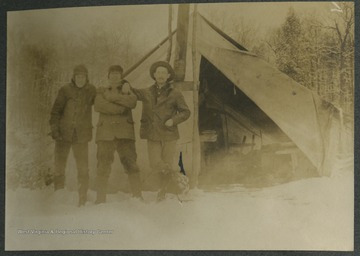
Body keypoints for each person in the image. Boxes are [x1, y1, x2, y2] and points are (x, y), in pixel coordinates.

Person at [131, 61, 190, 201]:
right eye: (158, 72)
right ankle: (177, 175)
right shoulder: (147, 92)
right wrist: (124, 82)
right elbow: (133, 91)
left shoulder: (175, 93)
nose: (161, 75)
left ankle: (162, 193)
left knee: (167, 162)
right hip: (152, 133)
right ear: (154, 75)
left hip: (169, 134)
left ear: (168, 75)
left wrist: (173, 120)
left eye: (164, 73)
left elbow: (186, 112)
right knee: (155, 163)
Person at [94, 65, 142, 204]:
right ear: (108, 76)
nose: (115, 76)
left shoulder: (128, 90)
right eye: (112, 73)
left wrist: (110, 98)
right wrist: (121, 106)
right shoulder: (101, 90)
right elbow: (99, 106)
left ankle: (137, 197)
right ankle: (100, 199)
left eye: (117, 74)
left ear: (121, 76)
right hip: (105, 134)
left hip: (125, 134)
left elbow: (132, 102)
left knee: (131, 164)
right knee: (103, 165)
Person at [49, 64, 96, 207]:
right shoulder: (65, 90)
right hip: (63, 134)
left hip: (81, 136)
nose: (80, 79)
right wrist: (55, 129)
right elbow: (55, 112)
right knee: (59, 165)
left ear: (86, 78)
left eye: (83, 76)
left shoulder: (91, 90)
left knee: (83, 167)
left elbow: (101, 102)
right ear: (73, 77)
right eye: (78, 76)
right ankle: (58, 194)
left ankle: (82, 196)